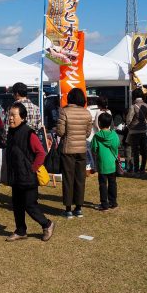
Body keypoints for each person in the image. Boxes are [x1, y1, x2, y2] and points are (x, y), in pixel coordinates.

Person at [5, 102, 54, 242]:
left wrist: (32, 169)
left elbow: (41, 153)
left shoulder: (28, 133)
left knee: (30, 205)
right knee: (17, 204)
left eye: (14, 115)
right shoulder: (11, 132)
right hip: (16, 176)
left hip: (28, 177)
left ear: (23, 117)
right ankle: (20, 231)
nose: (10, 118)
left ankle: (47, 224)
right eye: (10, 115)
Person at [56, 88, 92, 218]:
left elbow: (60, 132)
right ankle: (79, 207)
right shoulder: (87, 113)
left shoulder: (64, 111)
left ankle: (68, 209)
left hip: (68, 149)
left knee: (68, 179)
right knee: (80, 178)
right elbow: (87, 133)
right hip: (82, 149)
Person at [91, 112, 120, 210]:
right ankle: (113, 202)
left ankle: (104, 204)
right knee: (112, 183)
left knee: (102, 184)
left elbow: (93, 148)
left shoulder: (97, 136)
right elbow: (117, 145)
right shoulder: (114, 135)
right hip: (112, 163)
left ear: (99, 123)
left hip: (102, 163)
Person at [125, 88, 147, 175]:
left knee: (135, 152)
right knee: (144, 151)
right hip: (143, 131)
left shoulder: (133, 106)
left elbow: (128, 120)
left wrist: (130, 127)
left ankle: (136, 170)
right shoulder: (146, 105)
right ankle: (142, 169)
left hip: (134, 132)